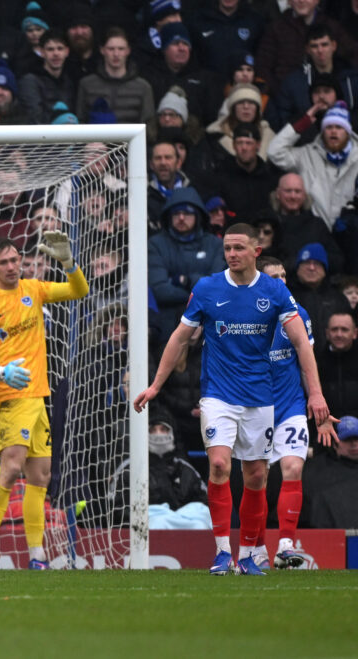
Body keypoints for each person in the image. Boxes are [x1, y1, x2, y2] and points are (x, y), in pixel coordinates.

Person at [134, 223, 330, 576]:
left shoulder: (274, 292)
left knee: (256, 476)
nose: (231, 254)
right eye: (227, 248)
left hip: (261, 396)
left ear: (256, 251)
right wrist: (155, 385)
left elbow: (301, 344)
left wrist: (315, 393)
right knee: (221, 466)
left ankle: (250, 554)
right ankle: (223, 552)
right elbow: (180, 338)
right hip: (219, 395)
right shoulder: (208, 288)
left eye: (239, 248)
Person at [0, 232, 89, 569]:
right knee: (12, 468)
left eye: (16, 259)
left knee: (42, 477)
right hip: (11, 397)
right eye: (4, 262)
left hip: (39, 397)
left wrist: (67, 263)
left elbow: (79, 290)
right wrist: (0, 372)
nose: (12, 266)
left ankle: (37, 556)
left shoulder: (32, 289)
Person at [255, 255, 334, 569]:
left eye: (284, 276)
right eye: (274, 277)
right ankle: (256, 548)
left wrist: (319, 403)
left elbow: (306, 363)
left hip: (290, 406)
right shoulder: (243, 317)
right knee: (257, 479)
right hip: (255, 408)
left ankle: (286, 545)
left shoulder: (298, 314)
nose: (282, 281)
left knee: (292, 468)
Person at [148, 187, 227, 342]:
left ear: (198, 215)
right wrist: (197, 292)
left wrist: (186, 280)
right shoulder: (155, 244)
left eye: (187, 213)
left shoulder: (215, 244)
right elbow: (159, 290)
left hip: (208, 322)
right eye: (176, 213)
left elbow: (217, 287)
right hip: (166, 327)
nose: (182, 218)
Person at [269, 102, 358, 230]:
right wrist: (303, 123)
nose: (333, 131)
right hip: (314, 232)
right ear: (322, 131)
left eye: (339, 127)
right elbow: (274, 152)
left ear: (348, 132)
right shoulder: (307, 154)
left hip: (351, 233)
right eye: (328, 127)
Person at [75, 27, 155, 125]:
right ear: (102, 50)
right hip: (95, 139)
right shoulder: (86, 84)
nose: (116, 54)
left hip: (132, 139)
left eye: (121, 49)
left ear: (128, 51)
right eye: (111, 49)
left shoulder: (143, 87)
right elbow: (80, 121)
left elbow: (148, 126)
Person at [300, 415, 358, 528]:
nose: (354, 444)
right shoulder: (315, 472)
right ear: (335, 444)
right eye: (347, 440)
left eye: (357, 439)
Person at [316, 311, 358, 420]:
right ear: (327, 333)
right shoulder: (316, 363)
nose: (339, 334)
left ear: (355, 333)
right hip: (326, 430)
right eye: (334, 329)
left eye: (344, 329)